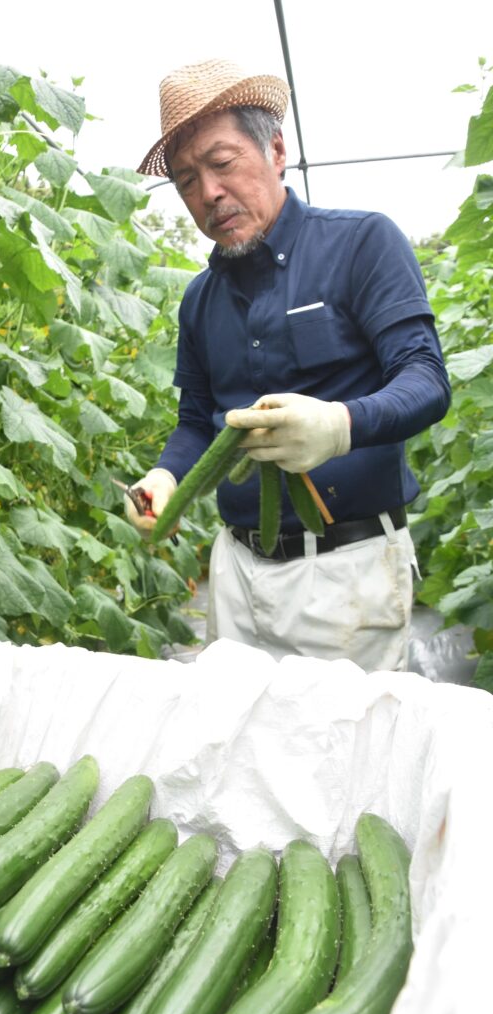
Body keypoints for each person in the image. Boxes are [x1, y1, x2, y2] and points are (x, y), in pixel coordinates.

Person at [124, 58, 451, 673]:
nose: (209, 193)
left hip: (349, 574)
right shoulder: (199, 299)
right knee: (236, 758)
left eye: (222, 164)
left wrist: (338, 425)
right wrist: (165, 479)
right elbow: (197, 422)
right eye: (187, 180)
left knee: (341, 762)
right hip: (237, 573)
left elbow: (426, 381)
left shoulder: (362, 244)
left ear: (275, 150)